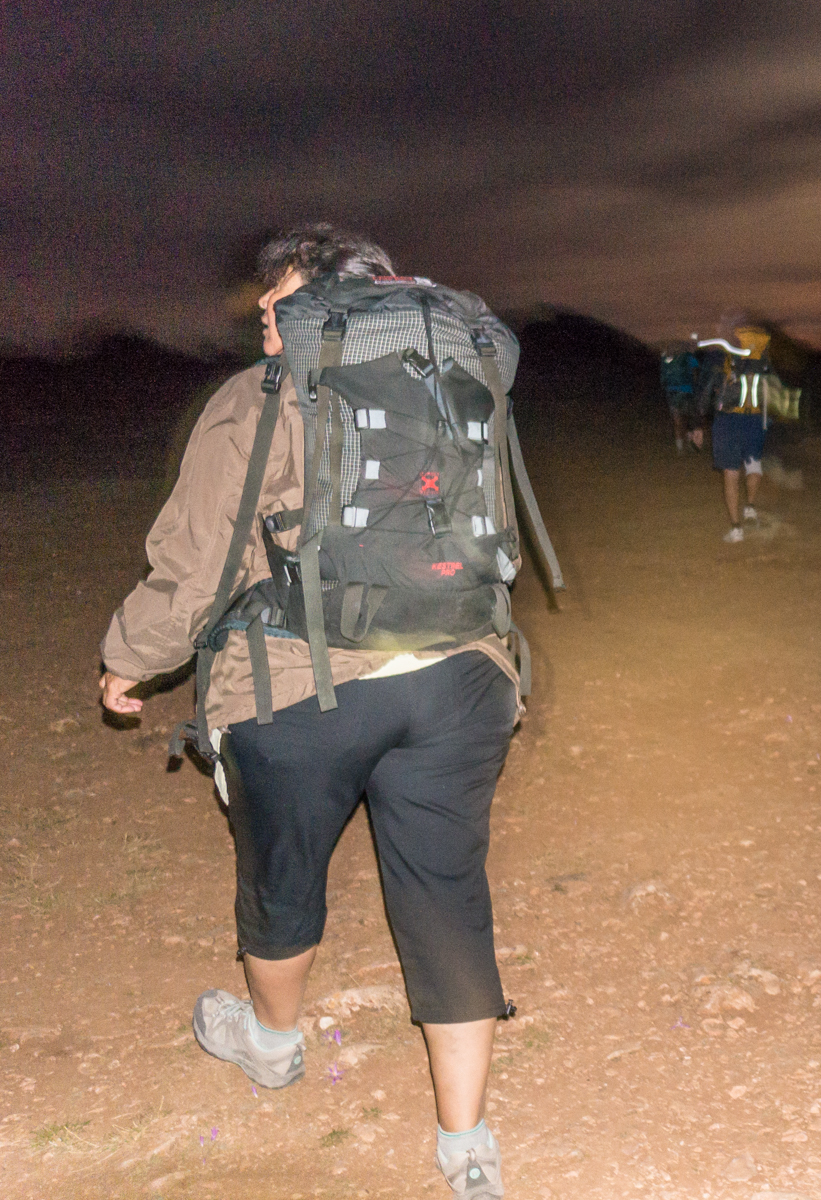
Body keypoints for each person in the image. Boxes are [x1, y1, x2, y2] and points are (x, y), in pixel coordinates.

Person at [100, 224, 519, 1199]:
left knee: (282, 876)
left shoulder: (257, 396)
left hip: (304, 686)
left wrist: (130, 658)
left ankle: (275, 1047)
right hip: (461, 678)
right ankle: (467, 1148)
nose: (260, 310)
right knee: (446, 897)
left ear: (325, 298)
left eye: (276, 291)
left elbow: (199, 562)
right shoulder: (458, 385)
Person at [700, 324, 773, 543]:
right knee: (754, 466)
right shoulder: (763, 362)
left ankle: (736, 529)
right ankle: (749, 507)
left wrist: (698, 422)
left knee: (731, 473)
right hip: (755, 419)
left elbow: (707, 391)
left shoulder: (726, 360)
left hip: (729, 420)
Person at [659, 341, 704, 453]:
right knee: (690, 419)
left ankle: (680, 449)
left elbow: (663, 376)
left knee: (677, 421)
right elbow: (695, 371)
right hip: (687, 391)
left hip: (672, 392)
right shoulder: (688, 356)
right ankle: (690, 445)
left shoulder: (666, 357)